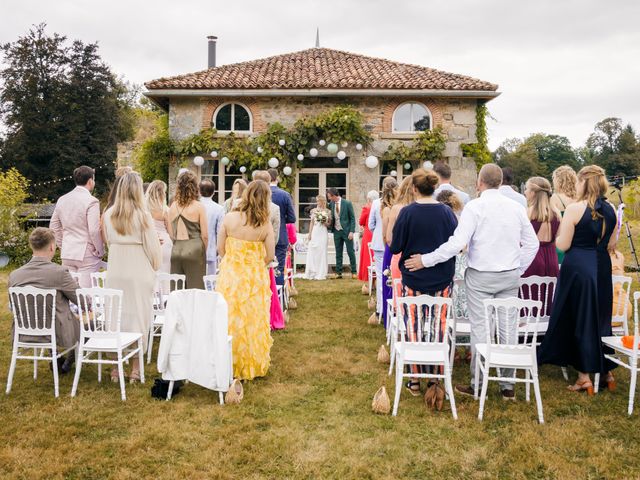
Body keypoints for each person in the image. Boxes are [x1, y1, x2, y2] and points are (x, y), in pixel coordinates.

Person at [405, 164, 539, 400]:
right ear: (500, 182)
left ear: (480, 182)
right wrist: (518, 269)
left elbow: (457, 244)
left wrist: (426, 260)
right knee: (507, 328)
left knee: (481, 329)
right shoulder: (516, 207)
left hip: (480, 276)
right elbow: (532, 244)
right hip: (509, 275)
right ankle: (507, 386)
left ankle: (478, 385)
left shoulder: (475, 207)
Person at [538, 165, 617, 394]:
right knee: (600, 317)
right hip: (602, 265)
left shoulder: (575, 209)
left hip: (578, 267)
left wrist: (556, 239)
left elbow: (562, 244)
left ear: (583, 182)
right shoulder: (611, 208)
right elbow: (612, 244)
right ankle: (605, 372)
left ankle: (584, 376)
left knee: (580, 318)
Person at [391, 169, 458, 395]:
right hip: (442, 278)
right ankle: (434, 378)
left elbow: (396, 246)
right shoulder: (447, 213)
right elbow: (455, 243)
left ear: (414, 189)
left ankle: (415, 379)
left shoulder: (408, 213)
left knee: (414, 326)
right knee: (439, 327)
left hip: (413, 277)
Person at [102, 172, 162, 382]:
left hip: (117, 268)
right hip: (138, 269)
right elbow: (153, 248)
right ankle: (135, 368)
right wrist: (155, 266)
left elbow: (108, 242)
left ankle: (115, 368)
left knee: (115, 315)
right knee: (138, 316)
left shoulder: (108, 215)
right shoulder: (143, 216)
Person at [216, 181, 275, 380]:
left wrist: (233, 261)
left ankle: (227, 362)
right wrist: (255, 263)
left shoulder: (229, 218)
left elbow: (220, 249)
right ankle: (250, 363)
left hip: (230, 277)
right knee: (252, 319)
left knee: (230, 317)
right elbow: (270, 255)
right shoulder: (264, 224)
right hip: (253, 279)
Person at [8, 227, 80, 373]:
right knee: (88, 324)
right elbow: (81, 299)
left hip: (24, 332)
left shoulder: (14, 275)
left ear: (31, 246)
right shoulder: (59, 273)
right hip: (57, 332)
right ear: (52, 247)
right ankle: (68, 361)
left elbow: (12, 307)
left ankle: (58, 359)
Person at [49, 165, 104, 288]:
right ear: (90, 181)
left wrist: (62, 244)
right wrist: (100, 250)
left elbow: (53, 226)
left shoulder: (62, 199)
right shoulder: (92, 201)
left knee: (70, 293)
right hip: (87, 253)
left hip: (68, 252)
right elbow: (94, 230)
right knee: (85, 296)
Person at [168, 171, 207, 289]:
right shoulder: (199, 206)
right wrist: (202, 250)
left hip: (176, 250)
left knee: (177, 290)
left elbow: (171, 233)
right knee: (195, 290)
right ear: (195, 186)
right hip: (194, 249)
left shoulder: (173, 206)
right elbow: (205, 235)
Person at [522, 177, 561, 279]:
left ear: (533, 193)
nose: (525, 192)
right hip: (552, 258)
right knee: (549, 293)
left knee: (531, 294)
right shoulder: (556, 214)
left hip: (533, 259)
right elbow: (558, 241)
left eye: (526, 189)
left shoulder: (528, 213)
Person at [368, 177, 395, 320]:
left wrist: (379, 233)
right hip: (395, 244)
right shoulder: (399, 203)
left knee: (380, 276)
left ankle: (381, 310)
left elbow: (371, 224)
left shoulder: (376, 203)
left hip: (379, 244)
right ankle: (393, 308)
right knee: (395, 276)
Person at [268, 169, 296, 285]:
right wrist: (282, 219)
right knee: (278, 267)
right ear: (277, 178)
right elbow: (292, 218)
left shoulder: (258, 194)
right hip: (280, 235)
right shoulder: (284, 195)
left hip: (261, 235)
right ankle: (278, 298)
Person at [380, 178, 399, 327]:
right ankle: (389, 318)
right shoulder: (387, 209)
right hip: (392, 247)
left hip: (394, 247)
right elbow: (386, 235)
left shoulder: (394, 208)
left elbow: (384, 236)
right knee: (389, 280)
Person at [550, 166, 578, 264]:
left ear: (558, 180)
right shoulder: (580, 197)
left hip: (561, 240)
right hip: (578, 242)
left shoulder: (555, 198)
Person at [327, 187, 357, 279]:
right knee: (338, 252)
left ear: (334, 195)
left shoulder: (347, 203)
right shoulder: (331, 204)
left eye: (329, 196)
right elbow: (331, 216)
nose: (329, 198)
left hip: (347, 231)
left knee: (350, 251)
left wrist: (351, 231)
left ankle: (354, 271)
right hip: (336, 231)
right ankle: (338, 272)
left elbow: (352, 218)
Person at [145, 180, 173, 275]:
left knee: (151, 273)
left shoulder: (143, 209)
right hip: (165, 243)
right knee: (165, 274)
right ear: (162, 194)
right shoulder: (165, 210)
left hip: (149, 243)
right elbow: (171, 232)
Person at [199, 179, 224, 275]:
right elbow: (220, 231)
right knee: (210, 282)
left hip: (195, 249)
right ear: (213, 192)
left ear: (199, 191)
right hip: (212, 248)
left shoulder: (194, 206)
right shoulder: (219, 209)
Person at [304, 195, 331, 280]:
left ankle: (321, 273)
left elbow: (329, 224)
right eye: (316, 201)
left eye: (318, 201)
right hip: (315, 232)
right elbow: (311, 223)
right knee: (313, 252)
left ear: (322, 201)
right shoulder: (313, 211)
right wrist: (309, 234)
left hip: (323, 232)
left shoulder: (328, 211)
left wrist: (323, 221)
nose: (317, 202)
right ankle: (312, 272)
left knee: (322, 252)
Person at [358, 190, 379, 291]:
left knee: (367, 258)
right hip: (377, 234)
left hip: (368, 234)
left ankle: (369, 282)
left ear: (369, 199)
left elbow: (361, 221)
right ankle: (375, 282)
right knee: (375, 259)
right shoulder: (380, 206)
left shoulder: (367, 208)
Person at [252, 171, 281, 243]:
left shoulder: (238, 204)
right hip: (263, 250)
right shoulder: (274, 208)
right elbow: (274, 239)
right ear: (269, 184)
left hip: (240, 251)